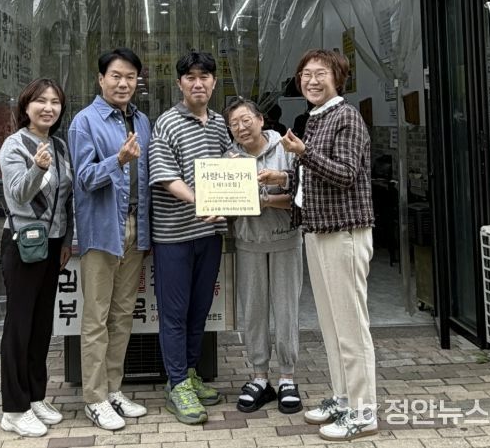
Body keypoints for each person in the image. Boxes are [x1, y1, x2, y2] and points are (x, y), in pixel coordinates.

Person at [259, 49, 377, 441]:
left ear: (338, 78)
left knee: (351, 327)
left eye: (320, 73)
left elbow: (345, 174)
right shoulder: (316, 117)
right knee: (332, 325)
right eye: (305, 74)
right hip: (317, 229)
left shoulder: (346, 116)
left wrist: (303, 153)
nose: (311, 80)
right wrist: (283, 178)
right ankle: (343, 399)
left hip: (344, 232)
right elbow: (312, 180)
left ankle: (363, 412)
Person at [68, 48, 151, 431]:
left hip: (136, 227)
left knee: (122, 315)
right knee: (96, 319)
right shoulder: (84, 122)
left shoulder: (143, 121)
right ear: (101, 79)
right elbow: (84, 179)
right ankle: (95, 398)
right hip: (102, 231)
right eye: (116, 76)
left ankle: (114, 389)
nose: (123, 83)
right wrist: (117, 160)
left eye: (130, 77)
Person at [149, 51, 230, 425]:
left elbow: (231, 169)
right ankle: (177, 383)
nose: (198, 83)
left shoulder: (220, 124)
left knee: (199, 310)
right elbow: (166, 177)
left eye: (205, 76)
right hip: (175, 235)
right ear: (179, 83)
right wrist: (202, 200)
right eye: (191, 77)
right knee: (175, 313)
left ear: (214, 82)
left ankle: (191, 373)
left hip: (210, 234)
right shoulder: (166, 123)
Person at [0, 78, 73, 438]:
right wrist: (38, 168)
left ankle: (35, 396)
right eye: (41, 101)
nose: (48, 108)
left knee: (42, 324)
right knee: (19, 325)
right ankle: (14, 409)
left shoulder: (59, 145)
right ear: (26, 106)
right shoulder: (14, 145)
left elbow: (66, 199)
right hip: (23, 244)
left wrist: (66, 241)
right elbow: (18, 194)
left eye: (55, 102)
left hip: (53, 245)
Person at [224, 98, 303, 415]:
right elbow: (227, 204)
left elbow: (303, 197)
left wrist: (267, 201)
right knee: (253, 311)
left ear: (260, 120)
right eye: (234, 124)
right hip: (248, 241)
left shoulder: (286, 148)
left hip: (285, 239)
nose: (241, 127)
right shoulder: (229, 158)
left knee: (286, 309)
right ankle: (259, 376)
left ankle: (287, 377)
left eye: (246, 120)